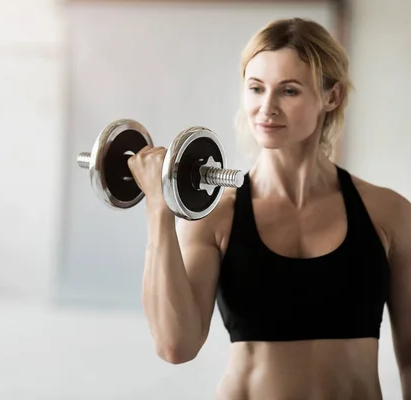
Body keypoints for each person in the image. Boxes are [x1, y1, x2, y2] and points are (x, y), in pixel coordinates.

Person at [127, 17, 411, 400]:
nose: (267, 107)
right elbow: (176, 345)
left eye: (289, 91)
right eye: (256, 88)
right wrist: (159, 209)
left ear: (332, 96)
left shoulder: (388, 212)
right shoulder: (217, 217)